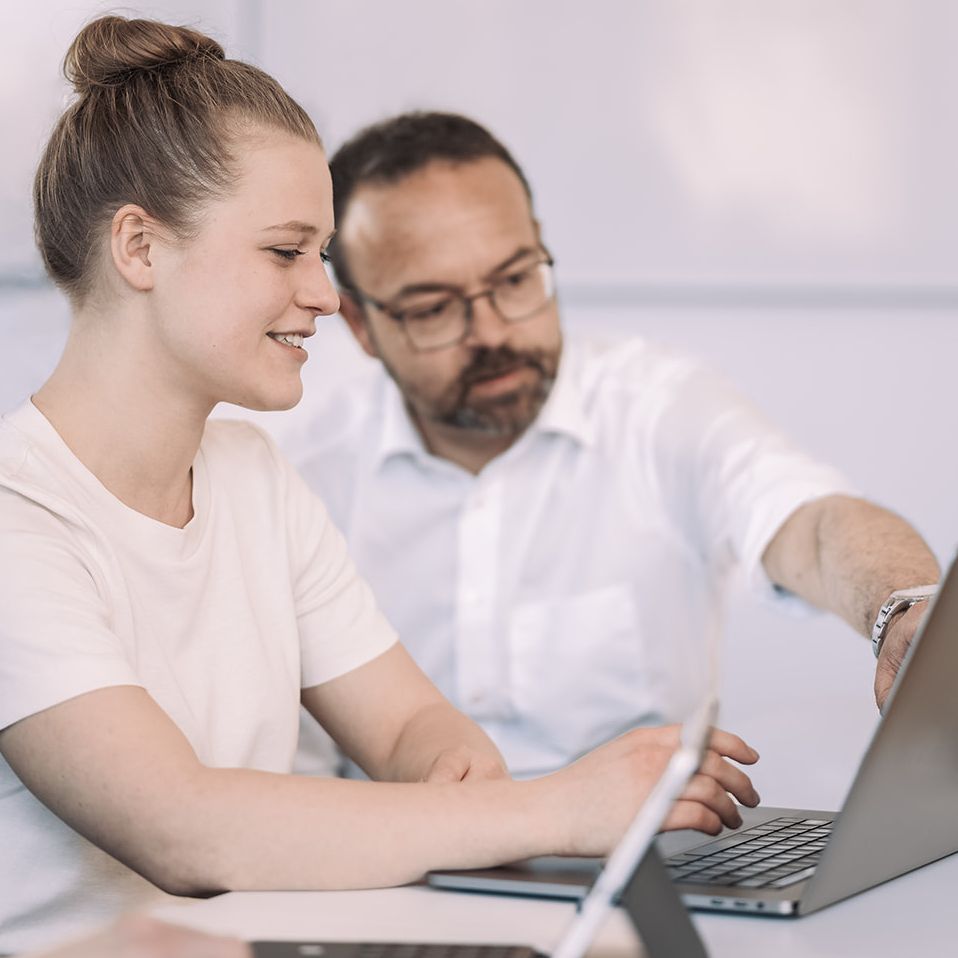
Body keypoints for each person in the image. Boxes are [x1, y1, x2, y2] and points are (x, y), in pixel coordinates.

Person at [0, 18, 760, 956]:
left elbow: (404, 724)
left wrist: (453, 766)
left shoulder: (253, 480)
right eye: (286, 252)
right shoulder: (17, 521)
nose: (325, 294)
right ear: (141, 249)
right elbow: (184, 830)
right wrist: (557, 808)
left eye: (320, 253)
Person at [286, 110, 940, 779]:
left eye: (515, 279)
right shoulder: (300, 471)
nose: (492, 332)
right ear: (361, 324)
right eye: (432, 308)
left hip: (648, 867)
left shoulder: (657, 408)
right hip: (387, 871)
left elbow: (812, 525)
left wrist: (907, 608)